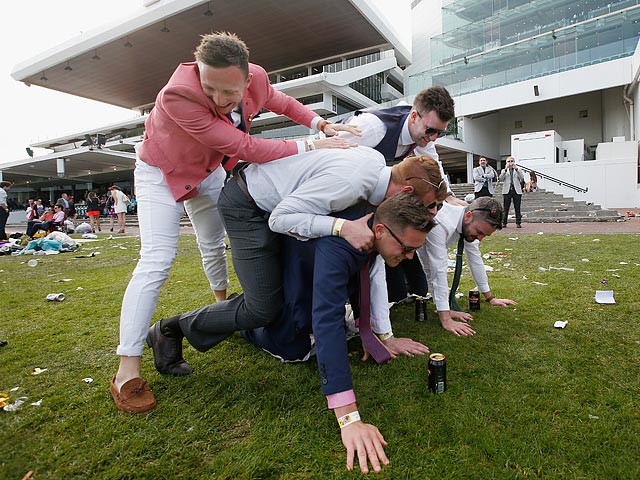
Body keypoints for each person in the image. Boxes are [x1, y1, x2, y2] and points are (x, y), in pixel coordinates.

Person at [110, 31, 360, 414]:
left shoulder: (257, 78)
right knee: (157, 259)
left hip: (209, 170)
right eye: (209, 88)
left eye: (229, 93)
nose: (218, 100)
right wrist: (310, 144)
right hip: (160, 172)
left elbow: (281, 101)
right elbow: (242, 146)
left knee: (214, 245)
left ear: (246, 79)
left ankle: (219, 313)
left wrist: (320, 125)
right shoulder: (176, 95)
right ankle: (127, 368)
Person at [145, 149, 446, 381]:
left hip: (275, 202)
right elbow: (280, 219)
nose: (418, 215)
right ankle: (170, 328)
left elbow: (372, 268)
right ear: (406, 192)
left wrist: (381, 334)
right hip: (248, 205)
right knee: (262, 307)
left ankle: (246, 311)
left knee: (273, 296)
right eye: (422, 206)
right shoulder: (349, 183)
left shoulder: (376, 166)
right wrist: (341, 227)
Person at [240, 193, 435, 473]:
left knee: (337, 333)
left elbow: (362, 280)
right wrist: (349, 418)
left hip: (313, 285)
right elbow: (327, 320)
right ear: (380, 230)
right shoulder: (341, 243)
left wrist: (370, 334)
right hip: (293, 284)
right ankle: (233, 319)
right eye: (406, 248)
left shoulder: (372, 232)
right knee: (293, 348)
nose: (409, 256)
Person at [336, 86, 464, 301]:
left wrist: (447, 196)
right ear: (414, 116)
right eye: (431, 130)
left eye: (440, 133)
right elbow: (333, 158)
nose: (433, 138)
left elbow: (434, 162)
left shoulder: (420, 132)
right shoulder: (372, 127)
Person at [417, 197, 517, 336]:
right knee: (409, 291)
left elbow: (475, 259)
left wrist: (490, 297)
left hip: (418, 251)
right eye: (480, 232)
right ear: (468, 216)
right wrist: (445, 318)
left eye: (484, 235)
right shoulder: (441, 222)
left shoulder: (469, 225)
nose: (480, 238)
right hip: (403, 252)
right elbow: (436, 269)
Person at [498, 156, 525, 228]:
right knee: (506, 208)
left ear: (514, 162)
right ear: (506, 163)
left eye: (511, 161)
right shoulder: (504, 170)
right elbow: (500, 179)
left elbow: (522, 178)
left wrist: (516, 169)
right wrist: (505, 170)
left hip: (516, 191)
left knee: (517, 208)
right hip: (507, 191)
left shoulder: (518, 169)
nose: (510, 163)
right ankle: (504, 222)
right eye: (508, 161)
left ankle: (518, 223)